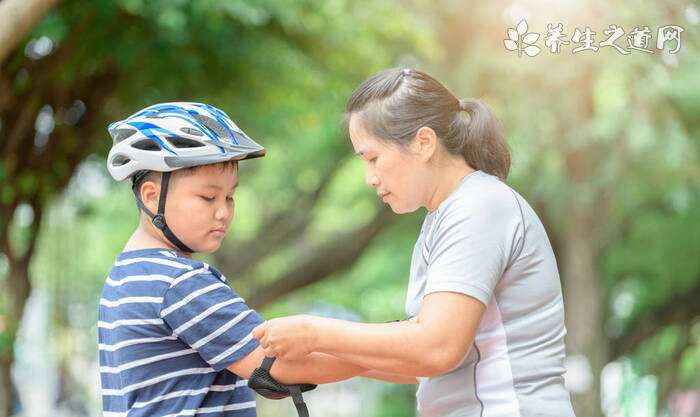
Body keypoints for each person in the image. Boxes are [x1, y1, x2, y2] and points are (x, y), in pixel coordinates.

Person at [253, 68, 577, 417]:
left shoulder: (478, 208)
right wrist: (318, 360)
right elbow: (426, 361)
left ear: (424, 142)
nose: (370, 178)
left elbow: (437, 348)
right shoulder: (447, 215)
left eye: (373, 158)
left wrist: (315, 332)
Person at [98, 102, 365, 417]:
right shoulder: (180, 282)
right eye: (208, 197)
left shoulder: (124, 277)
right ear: (151, 195)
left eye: (230, 196)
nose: (223, 211)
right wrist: (399, 350)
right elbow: (281, 366)